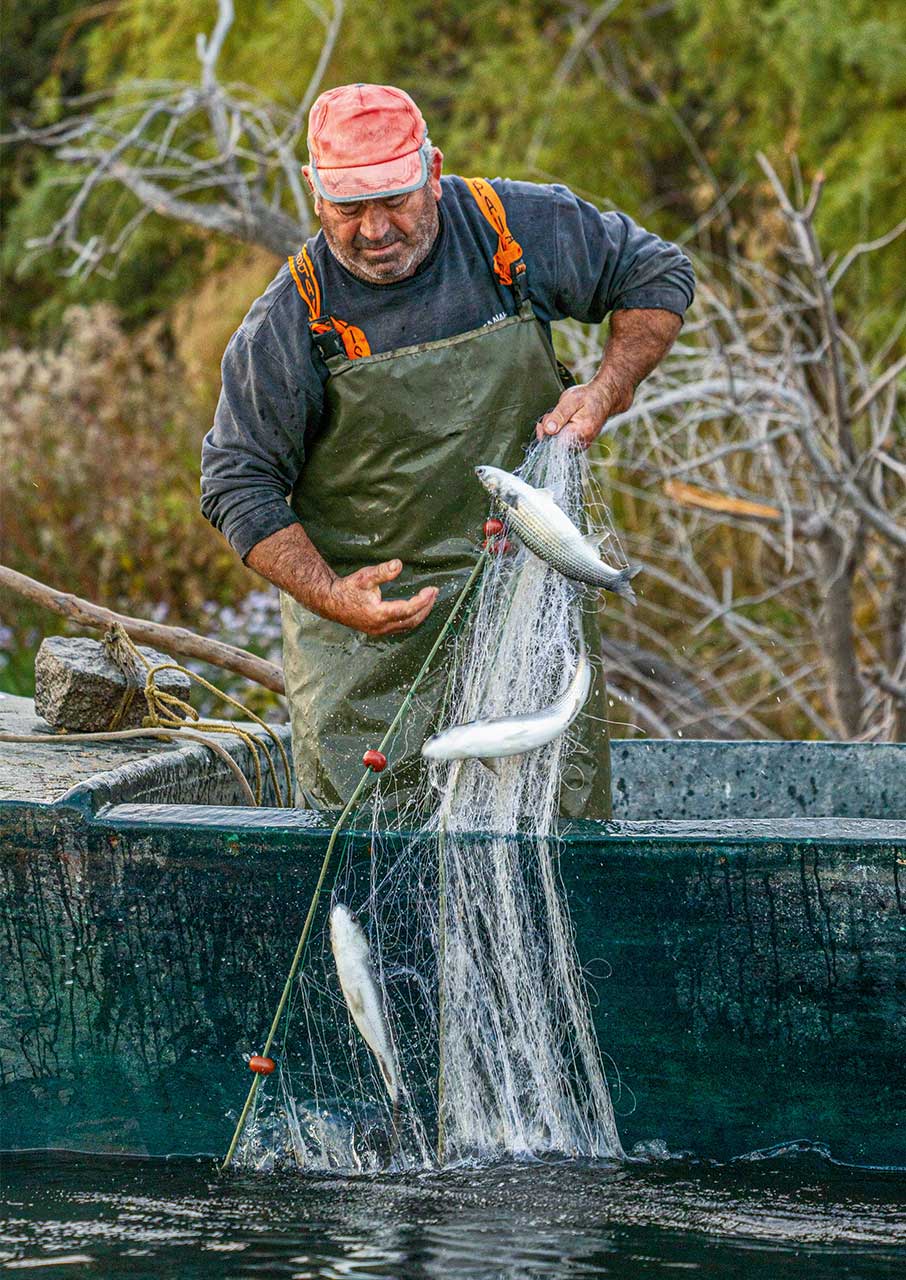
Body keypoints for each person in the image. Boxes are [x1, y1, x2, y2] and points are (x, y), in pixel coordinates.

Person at [201, 83, 695, 817]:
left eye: (395, 199)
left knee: (548, 831)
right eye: (348, 208)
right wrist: (336, 598)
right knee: (370, 877)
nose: (374, 229)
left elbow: (655, 274)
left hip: (529, 619)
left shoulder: (507, 228)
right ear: (313, 192)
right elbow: (236, 484)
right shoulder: (291, 317)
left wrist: (604, 391)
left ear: (433, 171)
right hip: (372, 661)